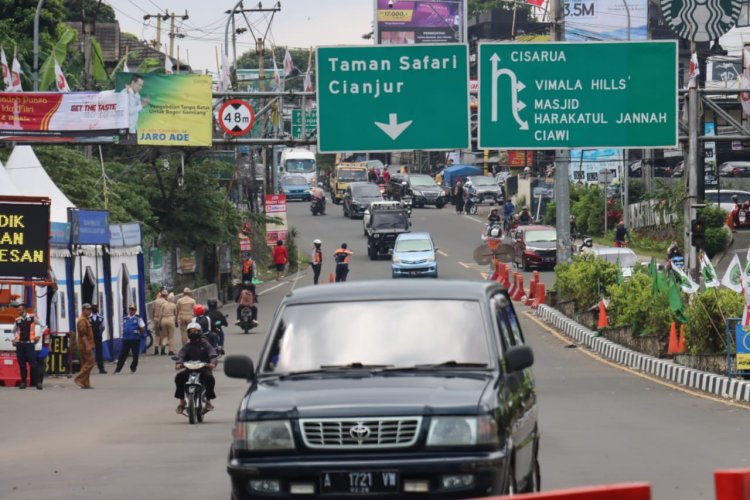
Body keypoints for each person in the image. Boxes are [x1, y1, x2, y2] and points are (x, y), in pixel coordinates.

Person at [174, 322, 218, 414]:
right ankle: (182, 401)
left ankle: (208, 401)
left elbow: (212, 354)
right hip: (189, 369)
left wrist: (212, 363)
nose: (193, 333)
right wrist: (179, 363)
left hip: (204, 369)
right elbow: (181, 354)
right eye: (191, 331)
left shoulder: (205, 344)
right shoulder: (187, 345)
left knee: (210, 378)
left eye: (195, 331)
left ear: (200, 331)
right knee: (179, 377)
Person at [12, 304, 40, 390]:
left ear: (24, 310)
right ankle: (23, 382)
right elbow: (13, 331)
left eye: (19, 310)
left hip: (29, 344)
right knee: (22, 365)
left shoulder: (32, 317)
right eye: (18, 310)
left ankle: (38, 382)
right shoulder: (18, 320)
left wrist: (38, 335)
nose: (18, 312)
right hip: (20, 344)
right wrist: (13, 339)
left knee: (33, 364)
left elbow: (42, 326)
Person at [114, 304, 145, 374]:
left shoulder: (138, 318)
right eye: (130, 309)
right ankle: (118, 369)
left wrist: (138, 332)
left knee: (135, 355)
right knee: (123, 354)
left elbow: (142, 328)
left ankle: (133, 367)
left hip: (135, 339)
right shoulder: (125, 318)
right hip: (126, 339)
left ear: (135, 310)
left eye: (133, 309)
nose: (131, 311)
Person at [121, 73, 150, 138]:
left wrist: (144, 104)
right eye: (139, 85)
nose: (141, 88)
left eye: (142, 86)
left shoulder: (137, 95)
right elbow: (129, 111)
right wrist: (141, 105)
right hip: (126, 129)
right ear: (133, 82)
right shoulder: (125, 93)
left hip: (134, 129)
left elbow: (139, 109)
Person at [74, 303, 95, 389]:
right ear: (83, 310)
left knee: (85, 364)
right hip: (84, 345)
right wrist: (87, 345)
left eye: (90, 310)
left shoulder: (86, 319)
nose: (90, 311)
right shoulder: (82, 320)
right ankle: (79, 378)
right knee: (90, 362)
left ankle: (85, 383)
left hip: (86, 344)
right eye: (88, 309)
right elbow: (83, 334)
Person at [89, 303, 107, 374]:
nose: (95, 309)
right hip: (90, 337)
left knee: (99, 353)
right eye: (94, 307)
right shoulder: (88, 318)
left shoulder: (101, 318)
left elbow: (103, 327)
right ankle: (88, 368)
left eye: (96, 307)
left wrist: (100, 333)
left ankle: (101, 368)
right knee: (89, 353)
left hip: (98, 337)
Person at [151, 290, 167, 355]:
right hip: (162, 319)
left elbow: (152, 310)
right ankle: (163, 350)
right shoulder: (165, 302)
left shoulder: (155, 301)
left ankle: (156, 349)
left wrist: (153, 318)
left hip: (156, 318)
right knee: (164, 335)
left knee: (157, 335)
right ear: (166, 295)